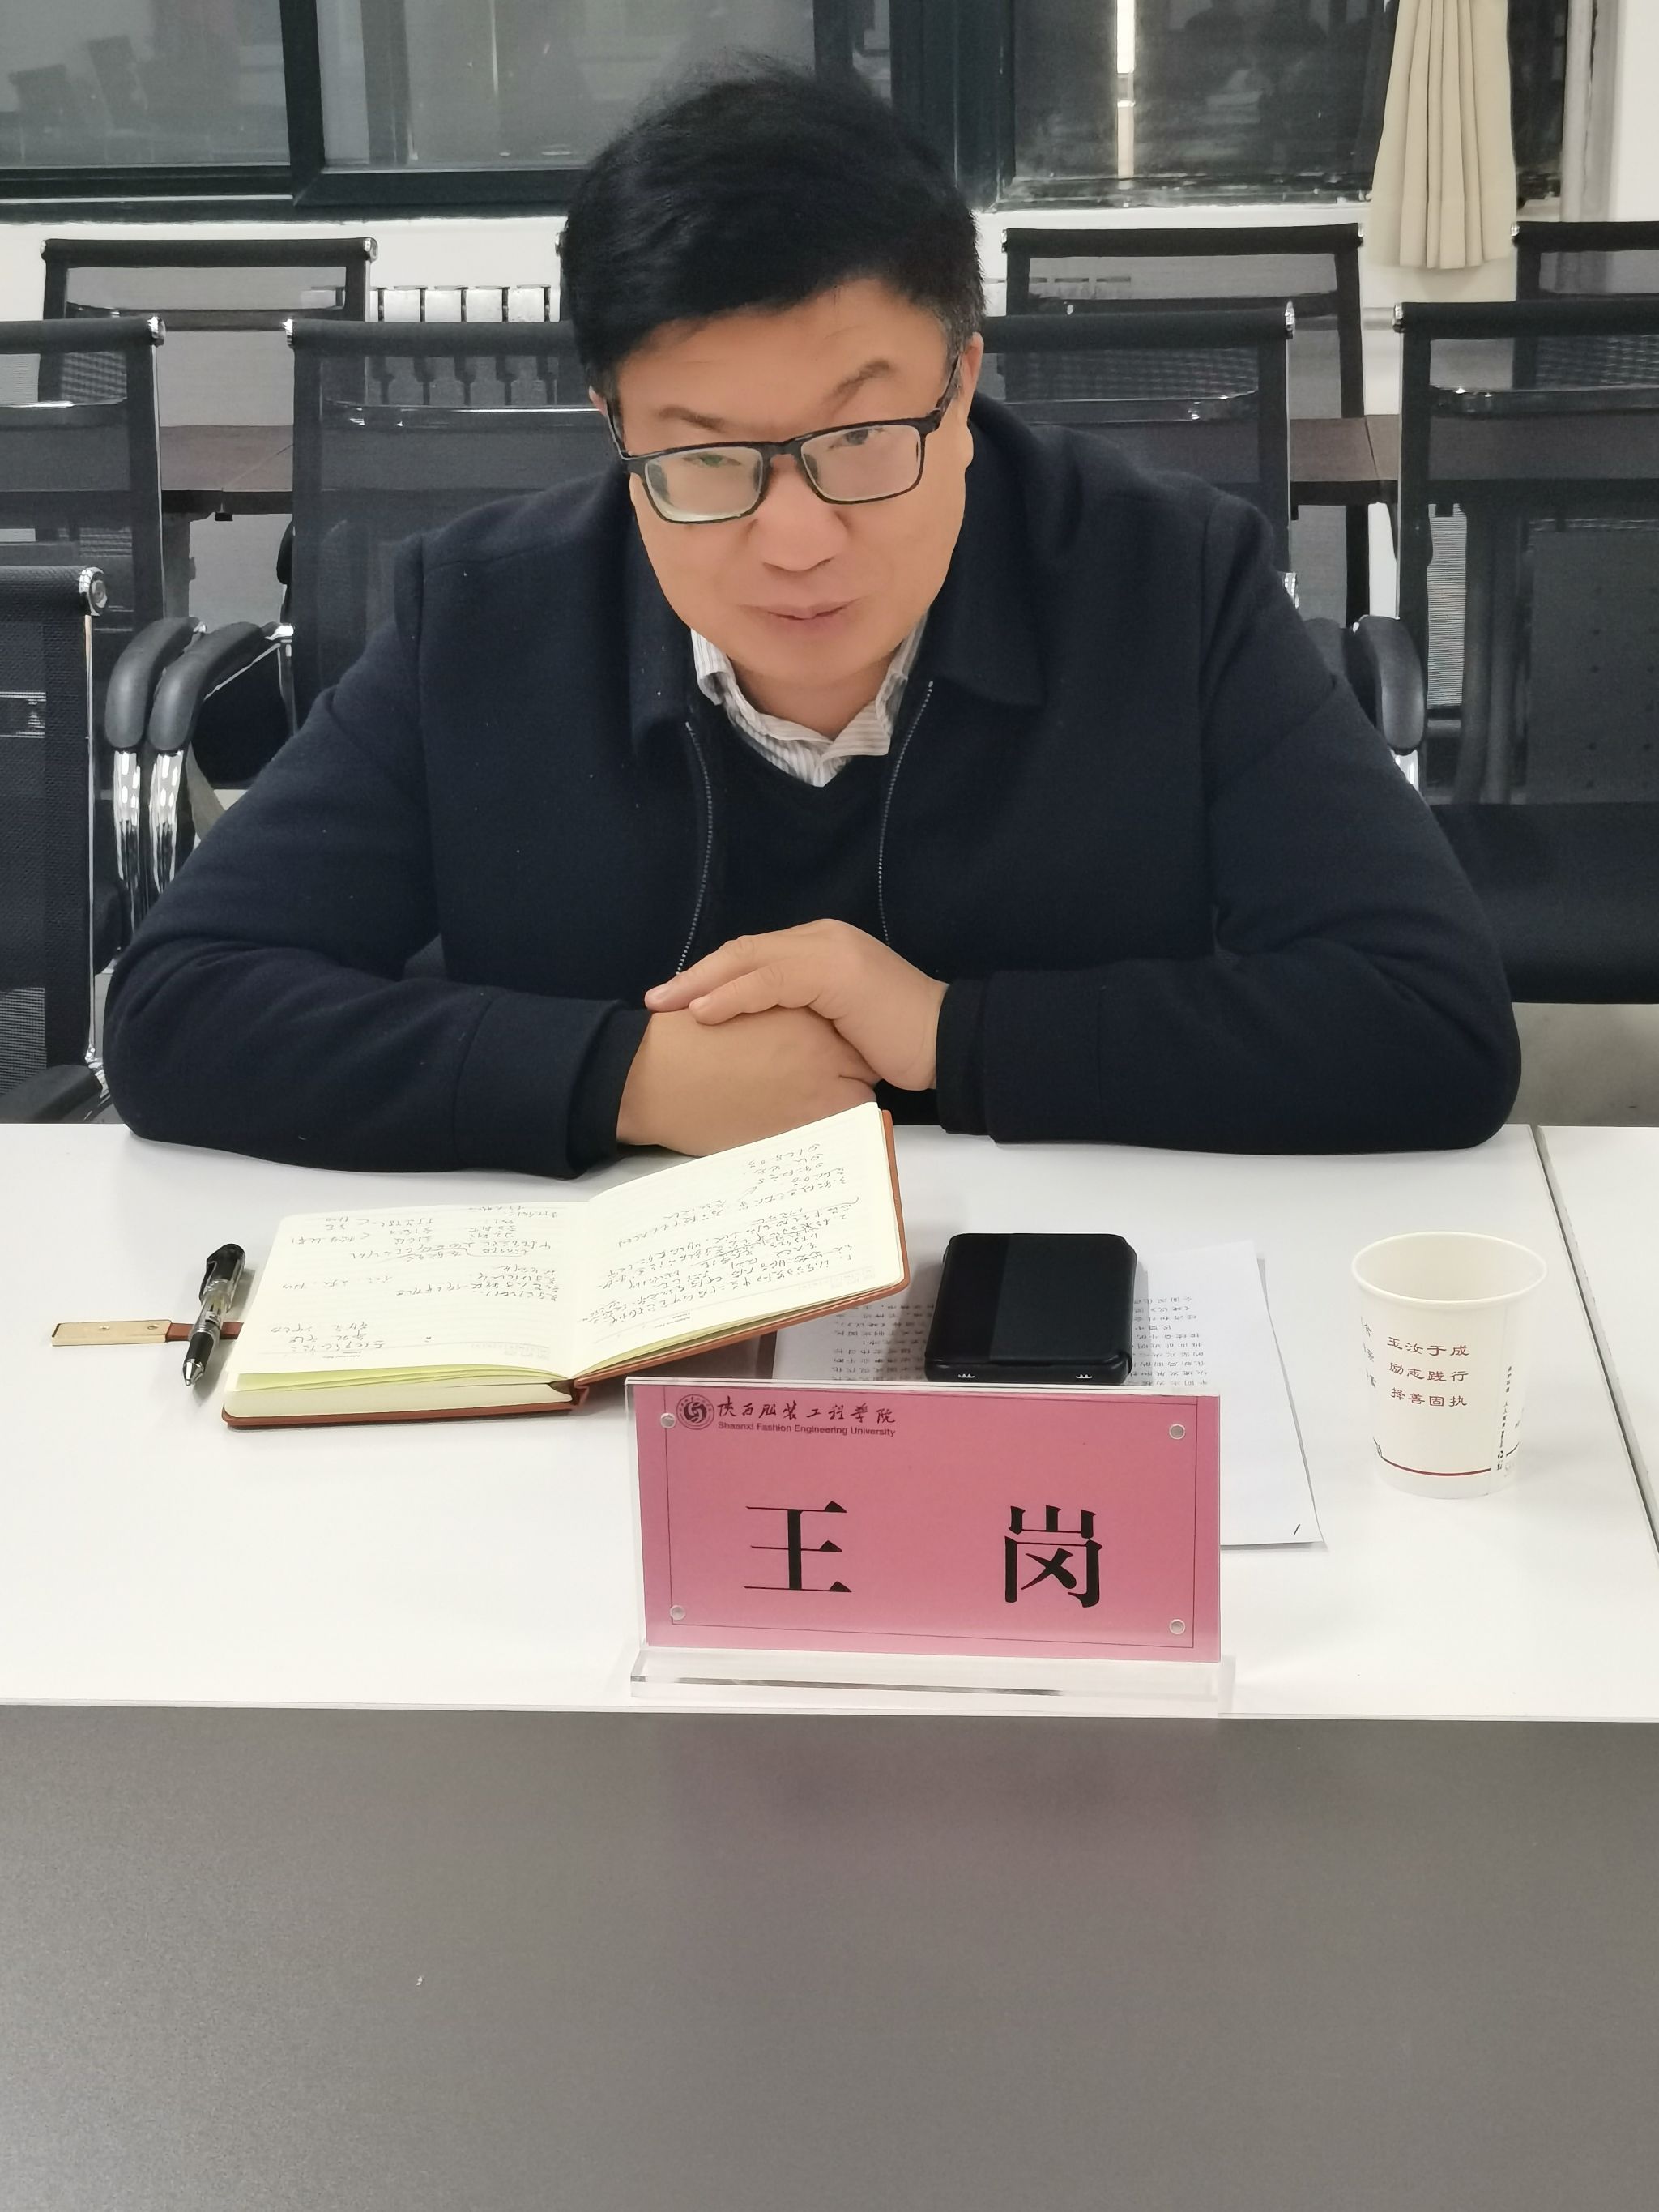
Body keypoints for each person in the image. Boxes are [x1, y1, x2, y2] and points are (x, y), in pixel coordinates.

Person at [104, 65, 1520, 1176]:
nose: (796, 537)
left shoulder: (1169, 582)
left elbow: (1433, 1022)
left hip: (1048, 1305)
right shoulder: (481, 616)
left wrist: (949, 1034)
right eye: (705, 455)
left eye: (862, 436)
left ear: (963, 387)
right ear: (615, 427)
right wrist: (625, 1076)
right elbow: (176, 1005)